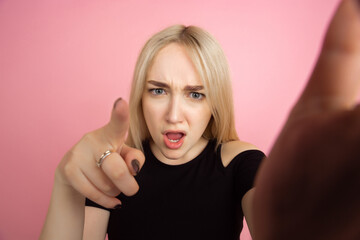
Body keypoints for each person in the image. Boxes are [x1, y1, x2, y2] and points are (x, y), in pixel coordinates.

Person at [40, 0, 360, 239]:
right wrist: (65, 185)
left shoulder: (240, 163)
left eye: (195, 94)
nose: (174, 115)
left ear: (214, 104)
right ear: (140, 96)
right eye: (159, 91)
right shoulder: (115, 168)